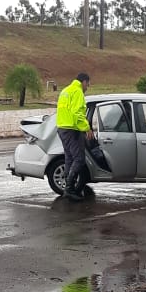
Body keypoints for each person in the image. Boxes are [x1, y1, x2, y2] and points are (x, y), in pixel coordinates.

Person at [56, 72, 92, 201]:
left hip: (62, 128)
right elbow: (77, 113)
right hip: (72, 129)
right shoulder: (77, 92)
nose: (87, 87)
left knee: (69, 158)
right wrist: (87, 128)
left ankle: (68, 188)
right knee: (79, 159)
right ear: (84, 82)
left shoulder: (66, 90)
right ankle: (69, 189)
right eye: (88, 84)